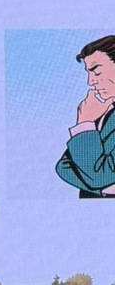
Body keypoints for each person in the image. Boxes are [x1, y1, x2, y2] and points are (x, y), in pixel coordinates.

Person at [56, 35, 115, 197]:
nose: (90, 81)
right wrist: (105, 189)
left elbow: (97, 176)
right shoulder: (105, 112)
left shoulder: (93, 117)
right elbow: (63, 167)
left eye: (96, 71)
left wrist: (85, 123)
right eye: (89, 73)